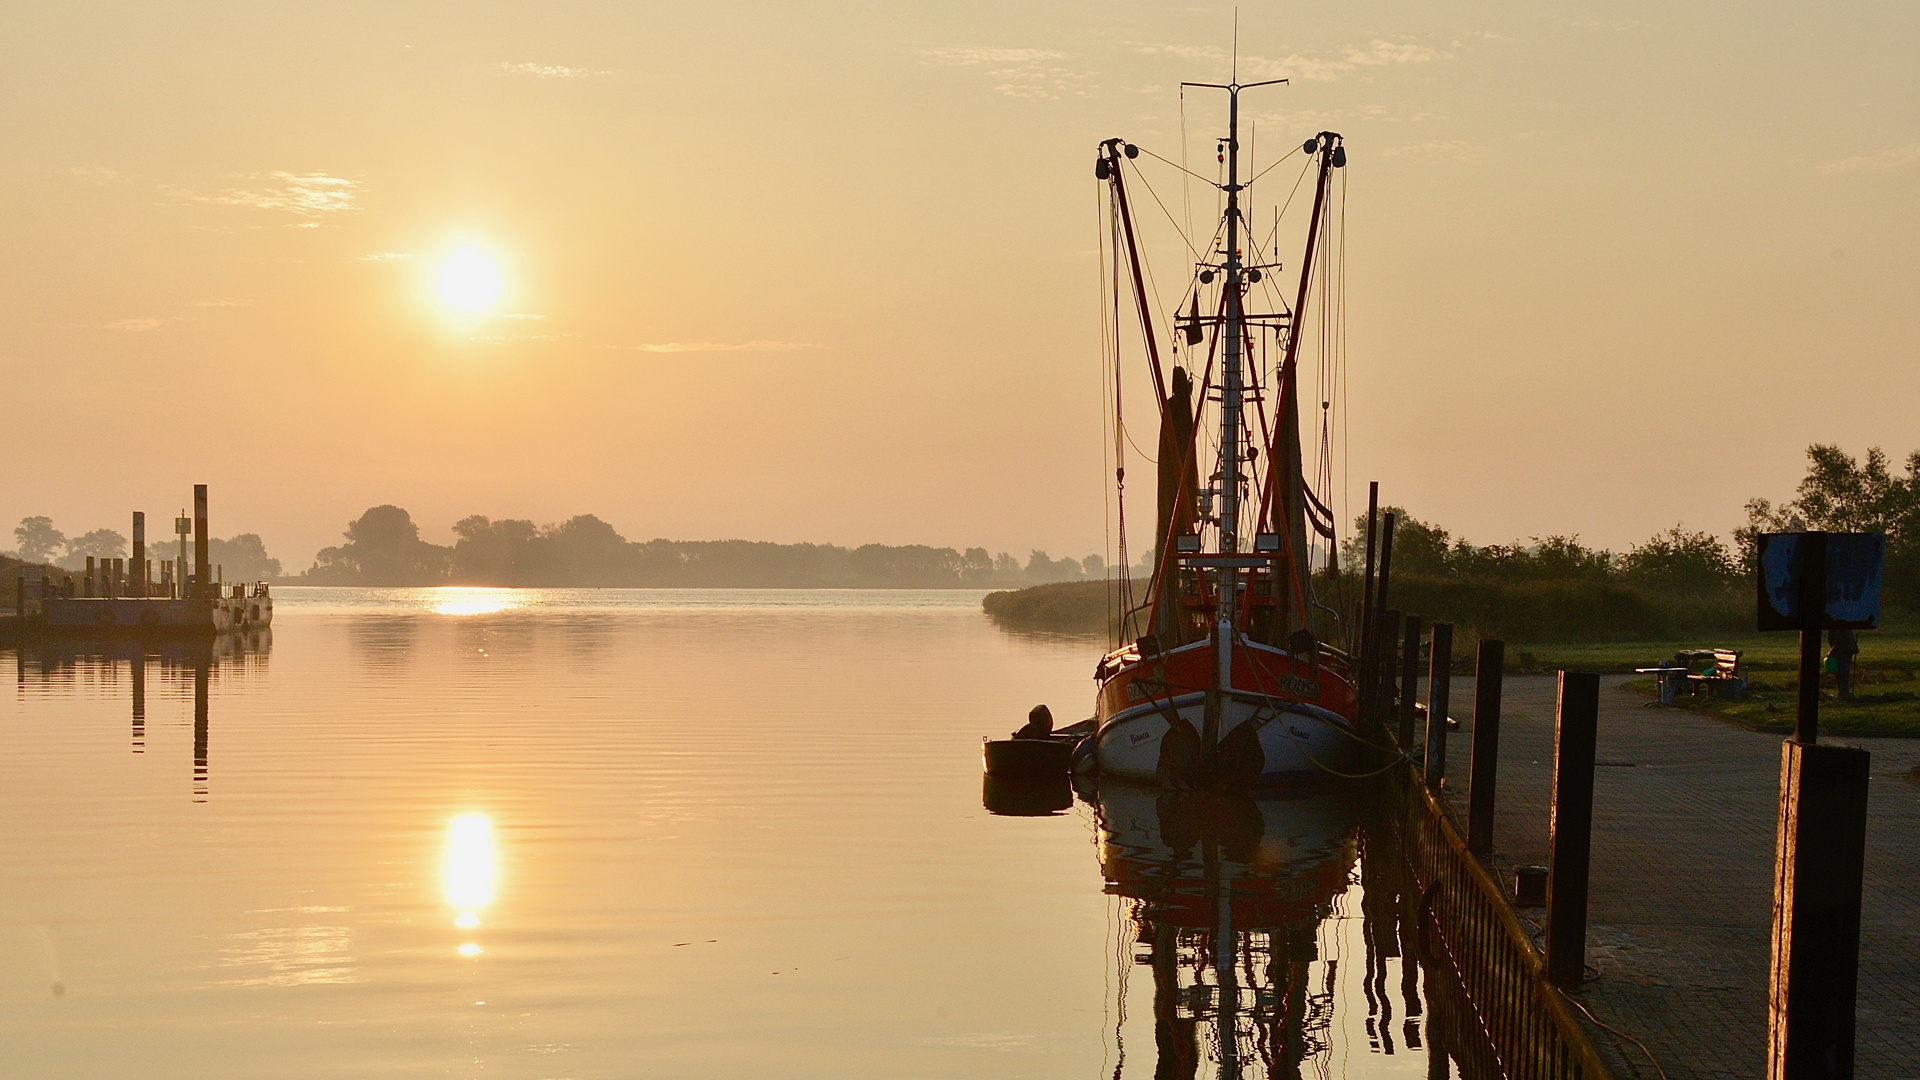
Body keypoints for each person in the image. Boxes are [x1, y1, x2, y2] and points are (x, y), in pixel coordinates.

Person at [1828, 628, 1859, 700]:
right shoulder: (1841, 622)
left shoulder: (1837, 625)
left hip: (1843, 649)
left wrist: (1831, 651)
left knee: (1841, 671)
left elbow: (1839, 640)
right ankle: (1843, 692)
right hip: (1846, 648)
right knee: (1842, 670)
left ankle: (1843, 692)